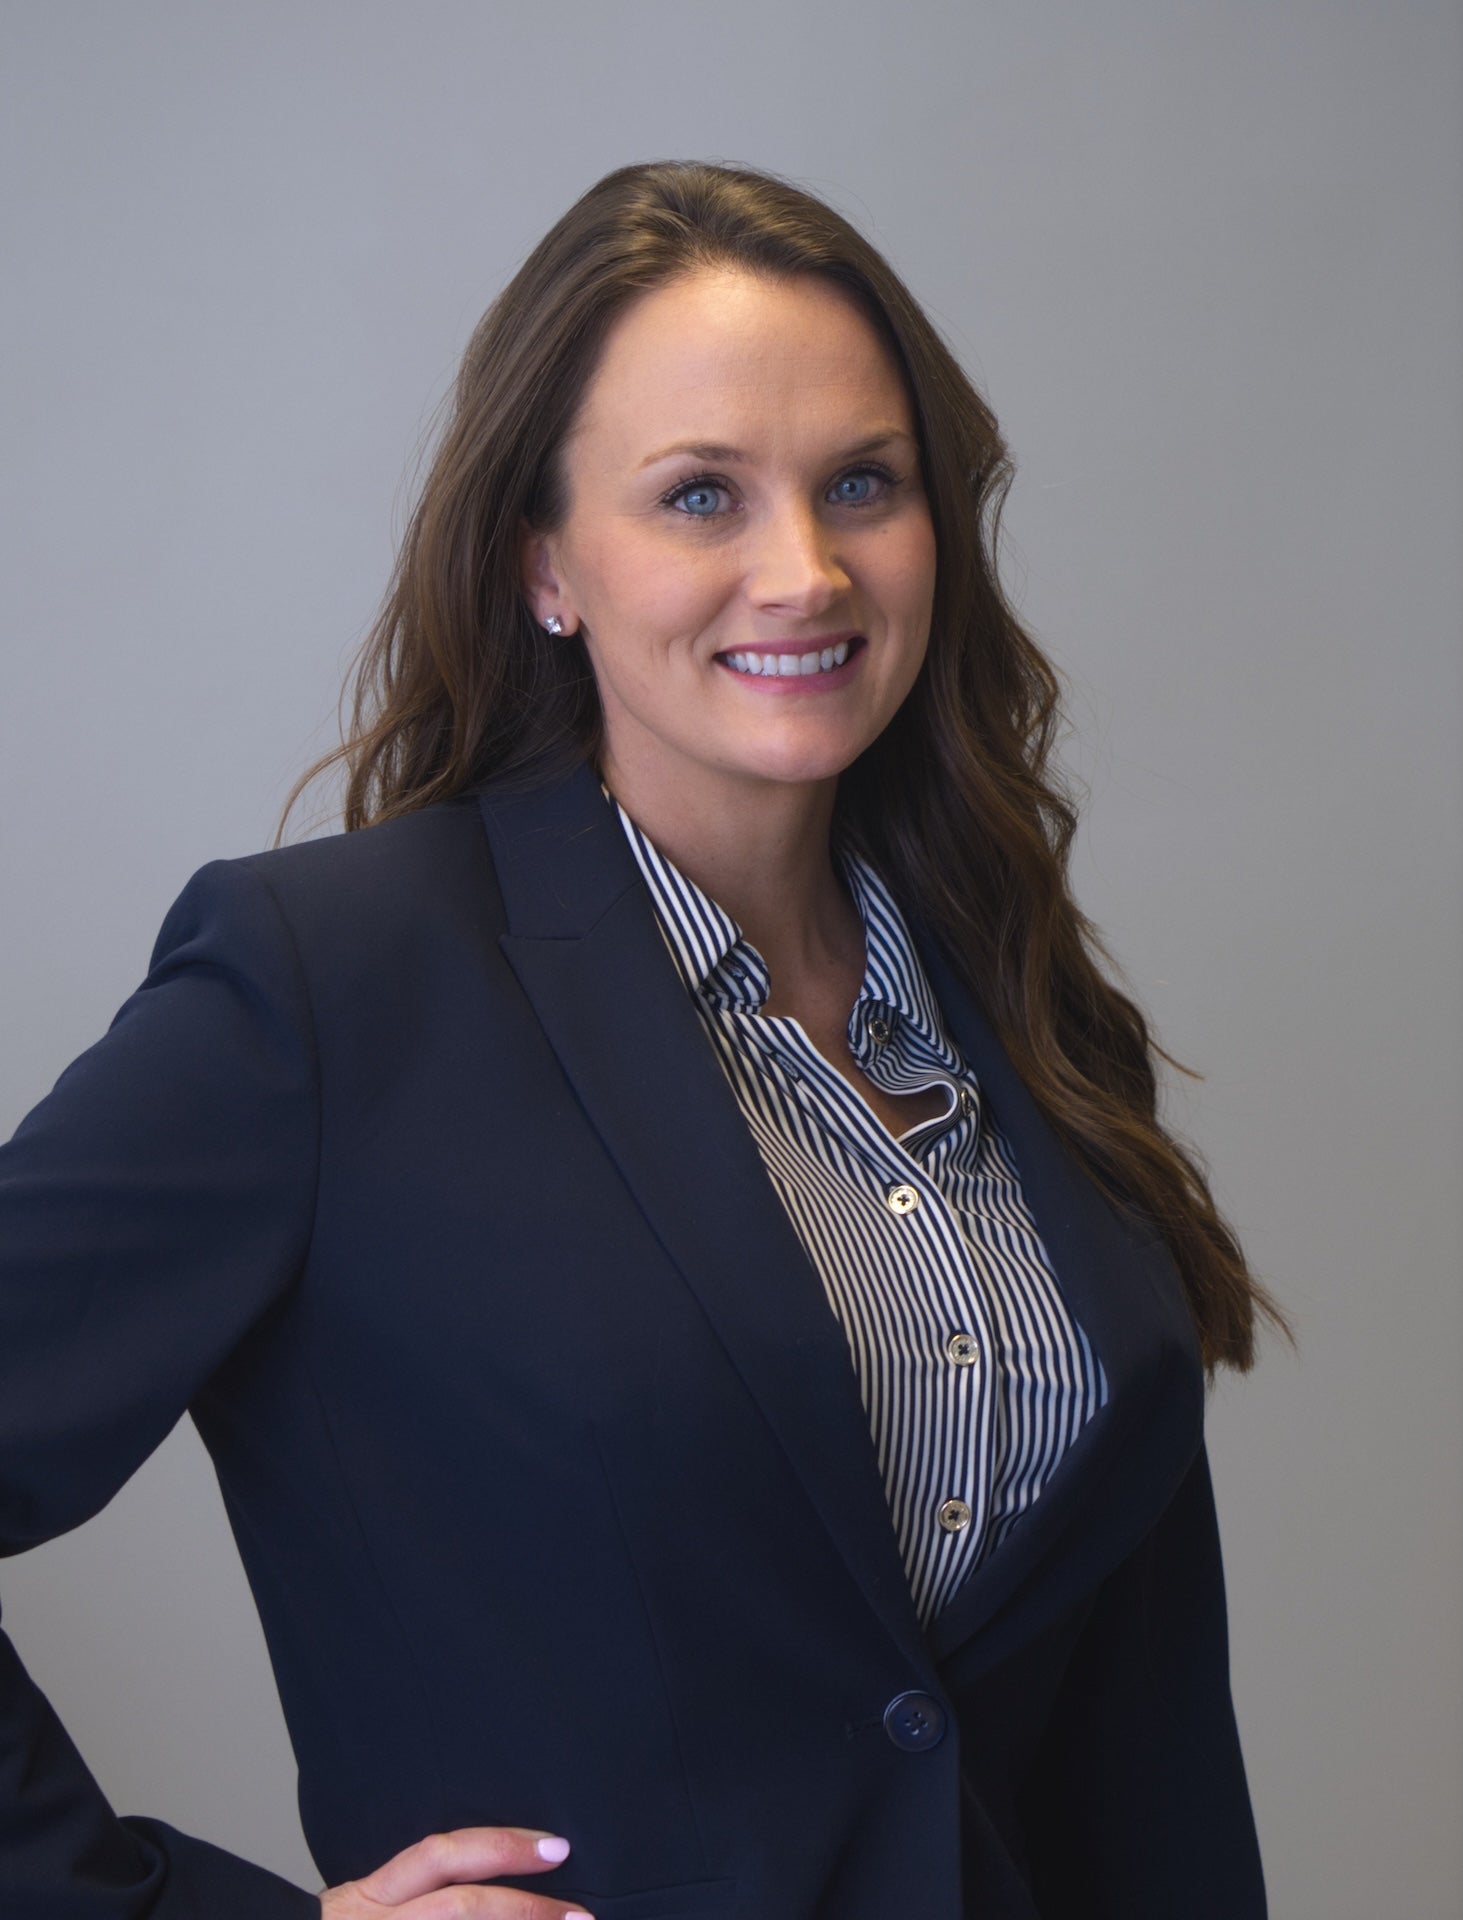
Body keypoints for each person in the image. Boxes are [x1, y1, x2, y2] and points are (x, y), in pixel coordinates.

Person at [0, 159, 1286, 1920]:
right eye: (700, 496)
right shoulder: (330, 986)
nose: (805, 569)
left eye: (863, 483)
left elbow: (1144, 1763)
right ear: (548, 564)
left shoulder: (1035, 1020)